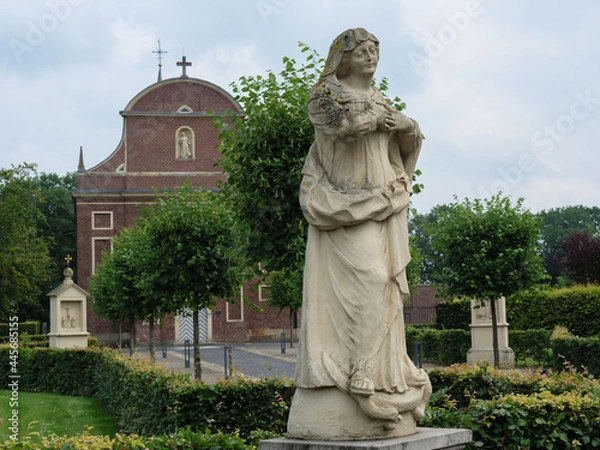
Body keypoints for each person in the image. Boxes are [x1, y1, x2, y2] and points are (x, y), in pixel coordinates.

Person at [294, 28, 430, 427]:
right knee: (370, 281)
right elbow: (342, 127)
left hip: (383, 203)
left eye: (376, 50)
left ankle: (385, 376)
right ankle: (357, 372)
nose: (372, 57)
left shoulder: (380, 99)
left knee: (386, 288)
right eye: (363, 51)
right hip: (344, 208)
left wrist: (406, 124)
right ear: (344, 57)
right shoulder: (324, 96)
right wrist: (376, 118)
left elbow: (405, 146)